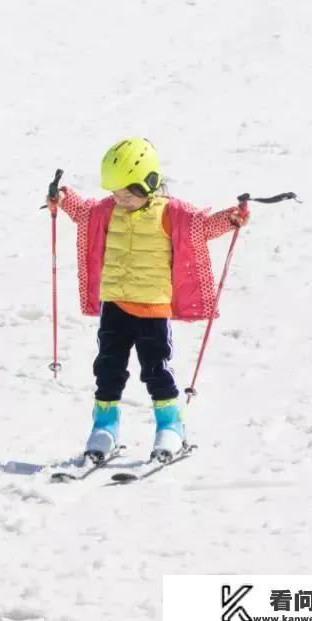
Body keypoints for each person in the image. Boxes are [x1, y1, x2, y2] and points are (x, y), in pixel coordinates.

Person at [48, 138, 249, 463]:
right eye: (114, 193)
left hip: (154, 308)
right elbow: (83, 211)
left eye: (126, 193)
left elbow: (201, 226)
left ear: (150, 183)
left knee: (156, 370)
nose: (119, 200)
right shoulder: (107, 212)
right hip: (114, 305)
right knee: (108, 368)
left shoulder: (171, 213)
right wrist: (63, 197)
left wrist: (230, 219)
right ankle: (105, 428)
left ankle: (170, 427)